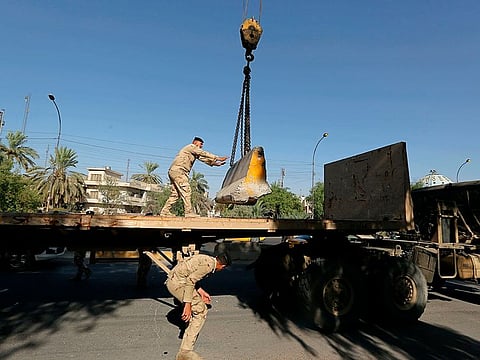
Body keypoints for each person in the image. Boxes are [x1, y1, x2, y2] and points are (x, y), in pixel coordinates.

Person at [165, 252, 231, 360]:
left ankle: (186, 346)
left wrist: (201, 291)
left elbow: (191, 275)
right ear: (222, 266)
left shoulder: (207, 259)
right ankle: (185, 351)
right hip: (178, 284)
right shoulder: (208, 266)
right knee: (201, 311)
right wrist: (187, 305)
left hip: (175, 280)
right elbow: (190, 281)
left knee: (197, 308)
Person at [160, 137, 228, 217]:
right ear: (195, 142)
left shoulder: (193, 152)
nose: (201, 146)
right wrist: (217, 157)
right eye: (201, 144)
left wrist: (215, 163)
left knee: (176, 194)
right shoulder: (191, 147)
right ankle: (188, 212)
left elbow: (203, 158)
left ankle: (165, 211)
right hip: (179, 171)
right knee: (187, 191)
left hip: (174, 171)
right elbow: (203, 153)